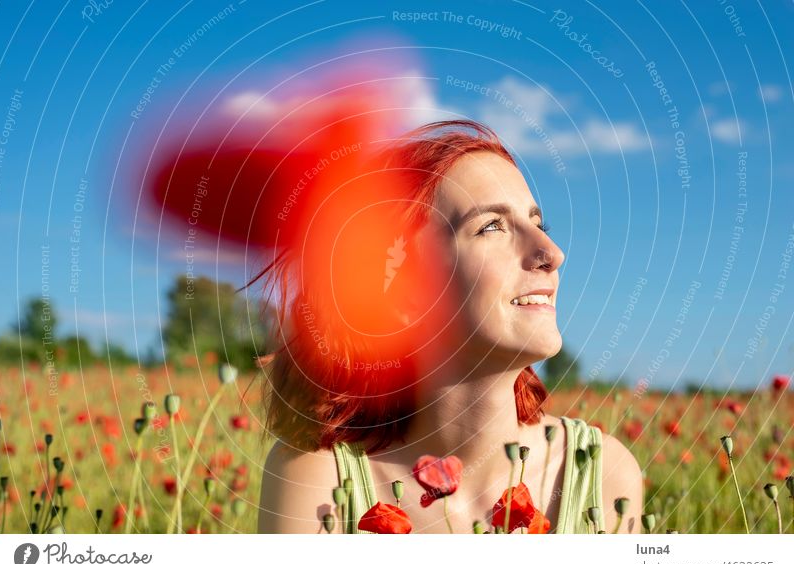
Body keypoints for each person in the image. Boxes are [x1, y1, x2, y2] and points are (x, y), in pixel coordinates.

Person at [256, 119, 643, 534]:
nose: (552, 252)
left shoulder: (601, 476)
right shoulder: (321, 484)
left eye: (538, 224)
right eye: (491, 226)